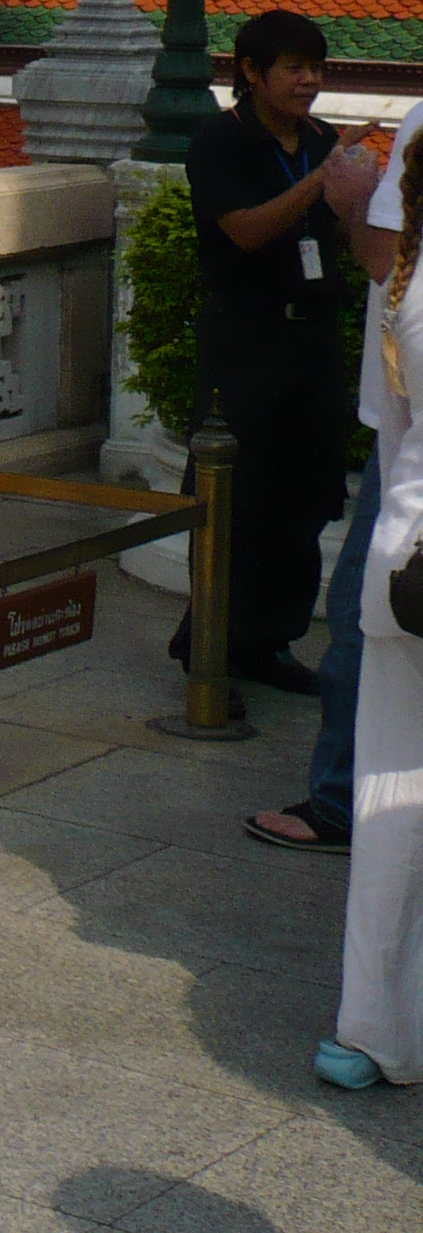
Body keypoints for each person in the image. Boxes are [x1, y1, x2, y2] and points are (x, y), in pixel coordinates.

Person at [248, 103, 410, 853]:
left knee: (363, 613)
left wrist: (350, 201)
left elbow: (391, 267)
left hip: (408, 430)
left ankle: (344, 799)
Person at [178, 10, 356, 694]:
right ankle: (209, 651)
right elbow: (246, 232)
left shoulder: (322, 138)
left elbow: (337, 231)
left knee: (304, 499)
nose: (309, 81)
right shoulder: (220, 142)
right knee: (234, 502)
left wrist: (360, 196)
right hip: (245, 342)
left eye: (317, 68)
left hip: (312, 339)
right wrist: (318, 181)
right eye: (294, 68)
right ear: (252, 72)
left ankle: (269, 642)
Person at [317, 134, 423, 1089]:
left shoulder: (406, 292)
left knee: (390, 795)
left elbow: (391, 445)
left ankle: (369, 1026)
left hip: (405, 561)